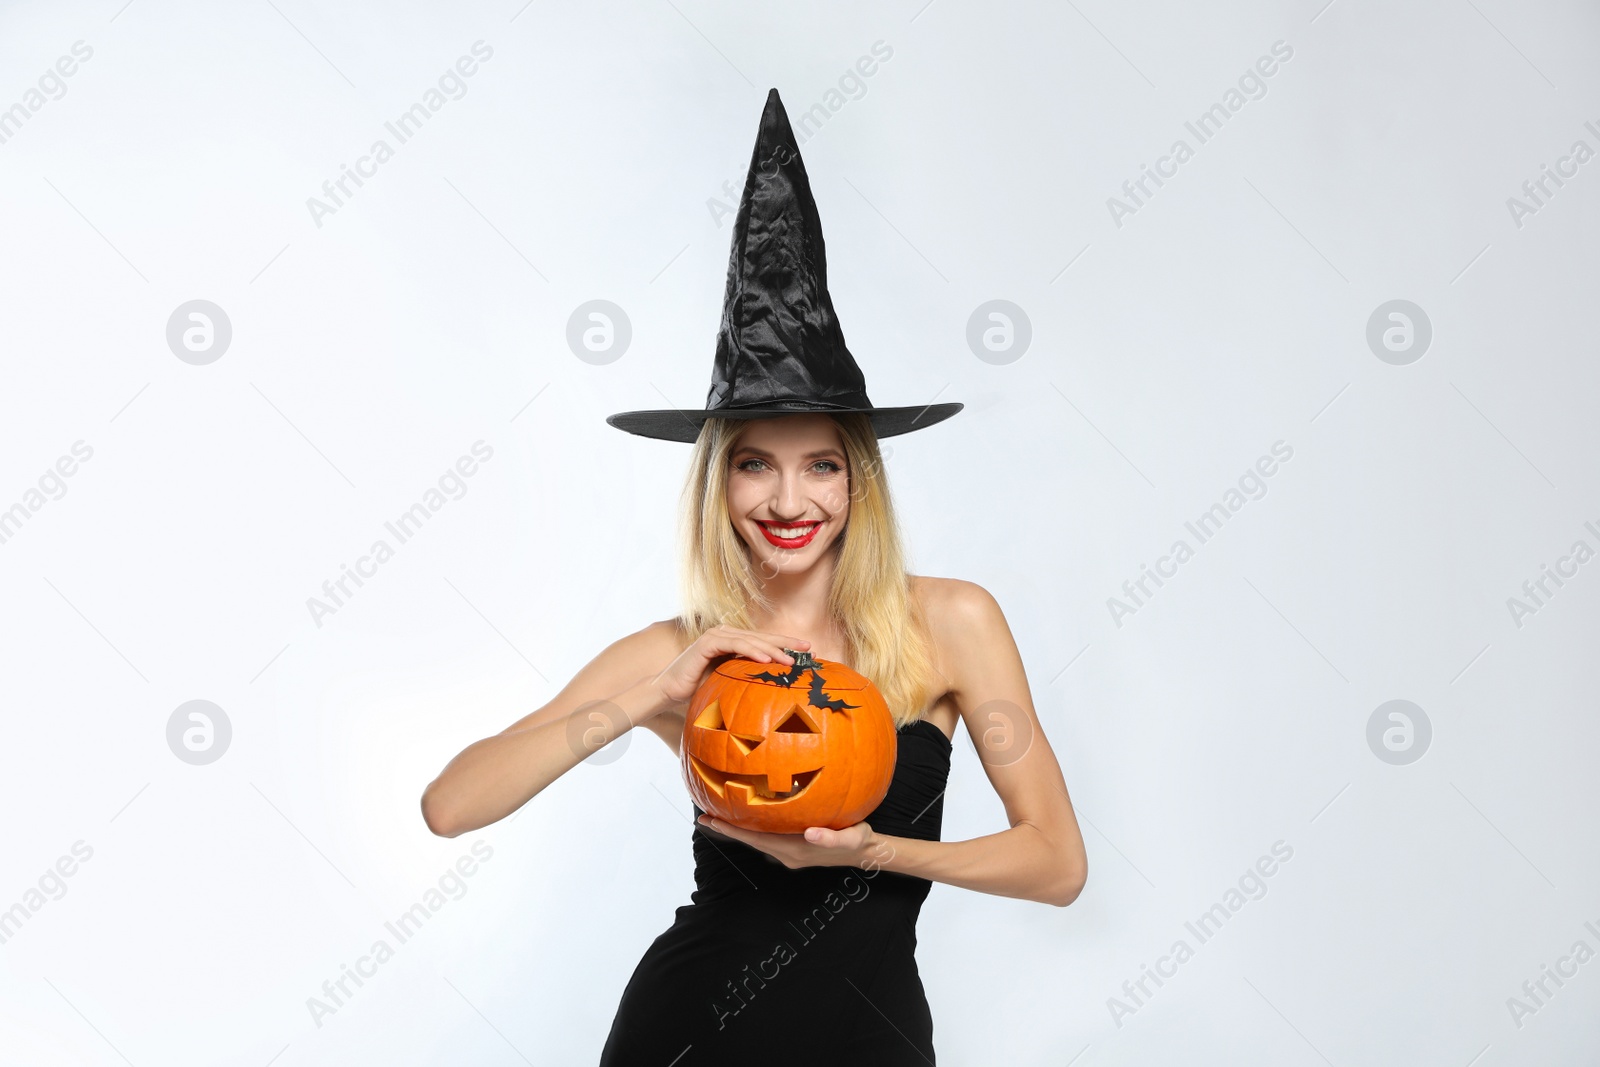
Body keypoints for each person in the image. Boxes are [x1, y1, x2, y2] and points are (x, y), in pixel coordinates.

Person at [420, 88, 1087, 1065]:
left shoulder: (949, 621)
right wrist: (652, 694)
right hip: (688, 1029)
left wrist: (877, 851)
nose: (788, 498)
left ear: (858, 477)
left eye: (820, 462)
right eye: (752, 462)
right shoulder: (674, 653)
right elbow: (451, 805)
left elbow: (1056, 860)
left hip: (874, 1034)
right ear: (717, 479)